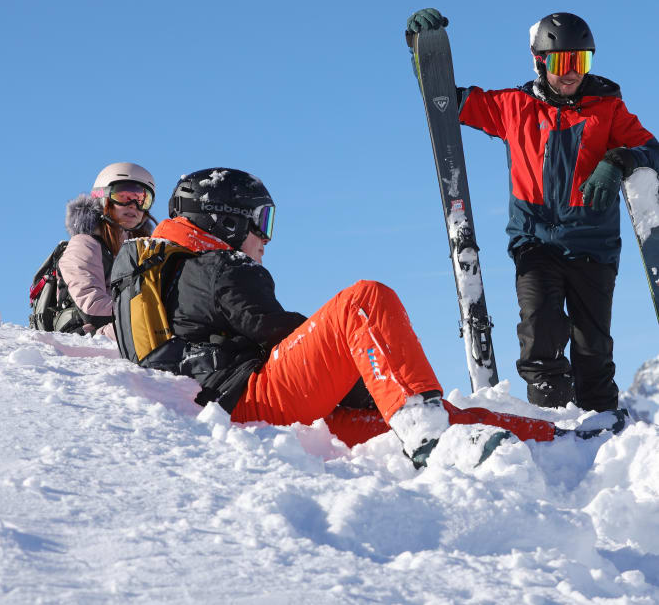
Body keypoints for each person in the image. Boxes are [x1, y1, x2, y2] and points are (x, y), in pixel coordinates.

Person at [116, 166, 570, 469]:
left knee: (394, 423)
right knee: (363, 302)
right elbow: (275, 330)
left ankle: (551, 439)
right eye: (262, 221)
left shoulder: (169, 272)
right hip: (257, 400)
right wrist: (353, 366)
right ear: (227, 221)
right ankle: (430, 437)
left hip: (240, 412)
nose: (266, 238)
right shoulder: (219, 267)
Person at [405, 8, 659, 412]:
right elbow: (446, 102)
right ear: (540, 62)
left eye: (581, 61)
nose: (571, 72)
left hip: (593, 247)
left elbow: (652, 150)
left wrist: (619, 160)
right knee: (539, 335)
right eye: (561, 62)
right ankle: (553, 424)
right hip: (535, 243)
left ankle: (602, 429)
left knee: (592, 351)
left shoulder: (607, 109)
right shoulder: (514, 106)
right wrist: (421, 53)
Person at [56, 162, 156, 339]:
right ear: (102, 196)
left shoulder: (142, 249)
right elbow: (93, 307)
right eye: (124, 196)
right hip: (86, 336)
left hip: (123, 327)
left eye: (142, 199)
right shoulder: (85, 244)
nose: (133, 205)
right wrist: (151, 313)